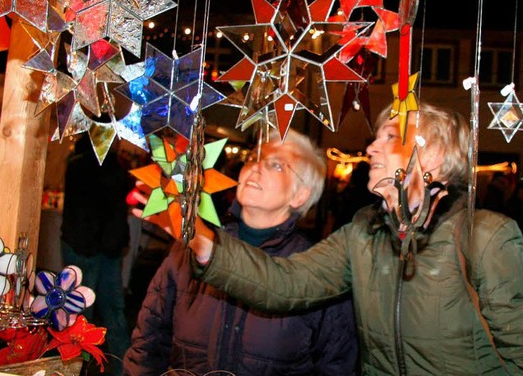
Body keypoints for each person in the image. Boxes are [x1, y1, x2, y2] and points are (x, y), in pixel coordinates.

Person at [187, 103, 523, 375]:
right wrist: (205, 244)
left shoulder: (485, 237)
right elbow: (287, 283)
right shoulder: (363, 235)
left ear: (436, 156)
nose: (370, 148)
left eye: (391, 138)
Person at [123, 129, 358, 376]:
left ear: (300, 195)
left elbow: (336, 365)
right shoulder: (195, 244)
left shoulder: (315, 270)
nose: (255, 168)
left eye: (276, 165)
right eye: (253, 159)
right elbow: (148, 342)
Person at [61, 136, 132, 375]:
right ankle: (118, 368)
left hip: (88, 246)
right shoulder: (107, 168)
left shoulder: (77, 163)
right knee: (104, 312)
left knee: (82, 313)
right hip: (96, 247)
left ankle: (77, 369)